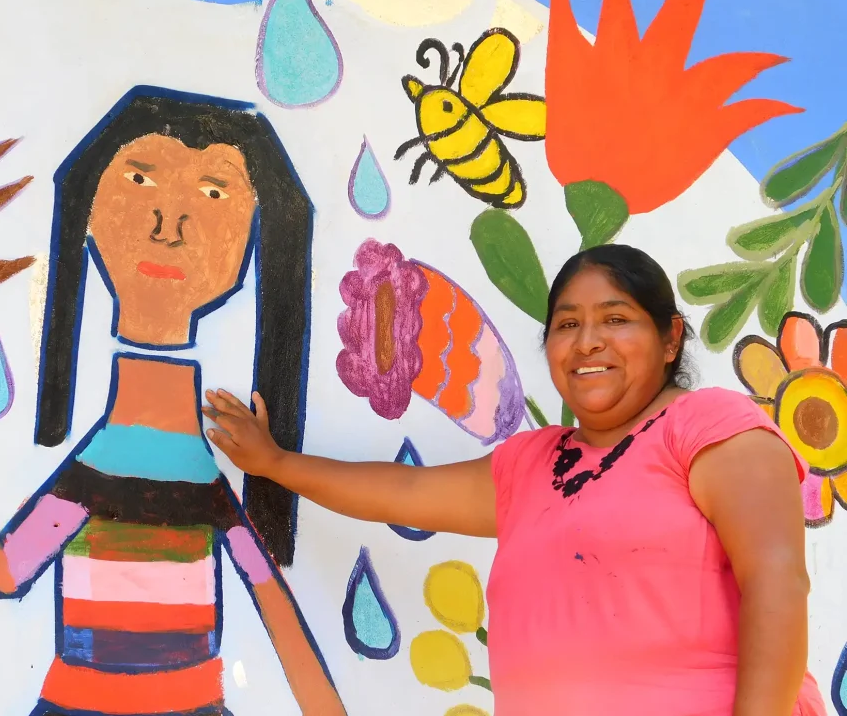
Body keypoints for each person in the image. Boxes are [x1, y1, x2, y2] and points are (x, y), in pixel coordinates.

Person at [0, 88, 345, 716]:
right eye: (141, 176)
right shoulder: (117, 463)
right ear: (89, 208)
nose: (168, 222)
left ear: (259, 233)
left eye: (214, 193)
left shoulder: (182, 469)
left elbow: (288, 634)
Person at [203, 243, 827, 716]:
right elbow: (404, 493)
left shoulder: (708, 424)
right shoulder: (532, 463)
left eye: (616, 319)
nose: (588, 343)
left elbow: (775, 577)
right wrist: (275, 464)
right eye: (566, 324)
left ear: (669, 339)